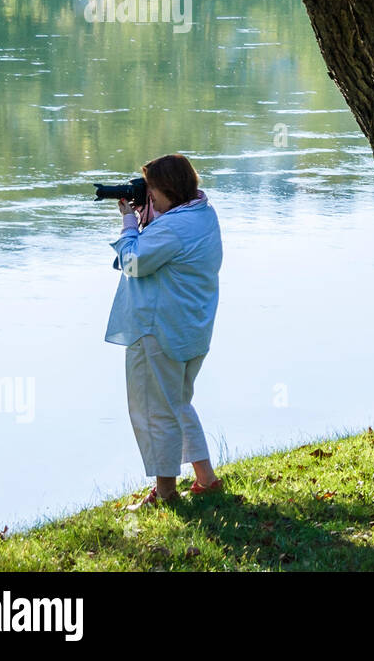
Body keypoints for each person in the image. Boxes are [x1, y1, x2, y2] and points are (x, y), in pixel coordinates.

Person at [105, 153, 224, 508]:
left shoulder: (172, 227)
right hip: (190, 330)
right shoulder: (201, 214)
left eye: (152, 192)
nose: (149, 198)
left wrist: (129, 223)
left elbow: (133, 262)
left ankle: (166, 491)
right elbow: (164, 245)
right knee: (177, 404)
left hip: (157, 331)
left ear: (169, 189)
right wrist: (149, 218)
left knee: (155, 411)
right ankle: (206, 478)